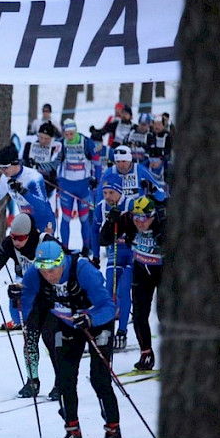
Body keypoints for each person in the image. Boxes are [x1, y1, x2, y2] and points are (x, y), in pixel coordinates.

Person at [21, 240, 120, 438]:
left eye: (52, 270)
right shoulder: (35, 274)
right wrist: (20, 307)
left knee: (99, 378)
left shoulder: (82, 270)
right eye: (43, 270)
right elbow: (26, 296)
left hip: (97, 323)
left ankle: (113, 433)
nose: (48, 275)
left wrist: (90, 318)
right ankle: (72, 432)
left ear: (62, 263)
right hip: (67, 324)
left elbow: (110, 307)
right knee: (64, 378)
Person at [0, 213, 61, 400]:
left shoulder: (45, 241)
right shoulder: (10, 243)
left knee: (52, 342)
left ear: (30, 234)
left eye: (20, 238)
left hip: (51, 298)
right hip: (30, 300)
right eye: (13, 237)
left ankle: (61, 382)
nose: (16, 242)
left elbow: (64, 262)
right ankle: (32, 381)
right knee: (30, 342)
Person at [101, 196, 164, 371]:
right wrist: (110, 221)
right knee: (139, 314)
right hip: (142, 269)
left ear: (151, 215)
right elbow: (104, 240)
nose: (139, 223)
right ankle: (146, 353)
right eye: (136, 218)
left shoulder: (162, 221)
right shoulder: (130, 220)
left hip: (164, 271)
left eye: (143, 218)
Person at [91, 174, 136, 351]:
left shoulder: (130, 204)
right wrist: (95, 256)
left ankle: (122, 332)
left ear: (119, 191)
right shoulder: (101, 207)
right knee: (109, 290)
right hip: (114, 253)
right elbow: (95, 231)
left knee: (123, 290)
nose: (107, 197)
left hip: (133, 253)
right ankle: (106, 330)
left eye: (111, 192)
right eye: (104, 192)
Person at [0, 144, 56, 236]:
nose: (2, 171)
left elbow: (41, 206)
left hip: (43, 221)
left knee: (41, 250)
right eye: (0, 167)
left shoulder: (33, 177)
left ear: (15, 163)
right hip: (25, 221)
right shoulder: (5, 177)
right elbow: (0, 192)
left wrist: (23, 191)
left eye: (5, 167)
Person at [55, 119, 94, 254]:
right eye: (67, 134)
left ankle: (86, 248)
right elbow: (56, 163)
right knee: (65, 219)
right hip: (67, 186)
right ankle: (65, 248)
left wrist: (95, 179)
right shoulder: (61, 143)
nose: (69, 137)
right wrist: (55, 179)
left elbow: (95, 160)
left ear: (76, 131)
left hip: (83, 186)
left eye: (71, 134)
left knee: (84, 219)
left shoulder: (86, 142)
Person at [98, 145, 166, 202]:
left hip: (138, 211)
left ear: (129, 160)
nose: (121, 165)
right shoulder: (110, 172)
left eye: (124, 161)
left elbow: (161, 195)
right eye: (118, 162)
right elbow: (100, 194)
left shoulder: (140, 170)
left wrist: (153, 189)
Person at [20, 122, 62, 198]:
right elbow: (22, 162)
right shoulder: (29, 145)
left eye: (46, 139)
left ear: (52, 138)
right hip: (29, 184)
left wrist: (37, 165)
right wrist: (27, 163)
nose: (43, 141)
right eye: (41, 137)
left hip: (47, 187)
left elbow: (55, 166)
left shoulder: (56, 148)